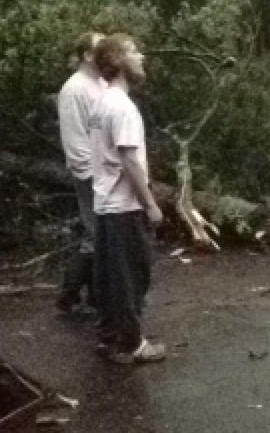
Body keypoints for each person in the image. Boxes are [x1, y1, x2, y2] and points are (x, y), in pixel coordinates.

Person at [89, 33, 166, 364]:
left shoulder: (101, 102)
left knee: (109, 274)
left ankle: (109, 337)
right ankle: (131, 344)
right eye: (134, 51)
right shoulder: (122, 107)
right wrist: (150, 204)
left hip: (105, 202)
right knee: (131, 275)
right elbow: (130, 160)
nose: (142, 56)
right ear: (118, 61)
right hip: (123, 205)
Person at [55, 31, 107, 313]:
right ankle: (78, 294)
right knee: (97, 231)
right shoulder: (74, 90)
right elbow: (75, 141)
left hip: (104, 172)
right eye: (101, 47)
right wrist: (91, 175)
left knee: (95, 233)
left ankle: (76, 295)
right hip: (90, 173)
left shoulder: (98, 83)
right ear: (87, 55)